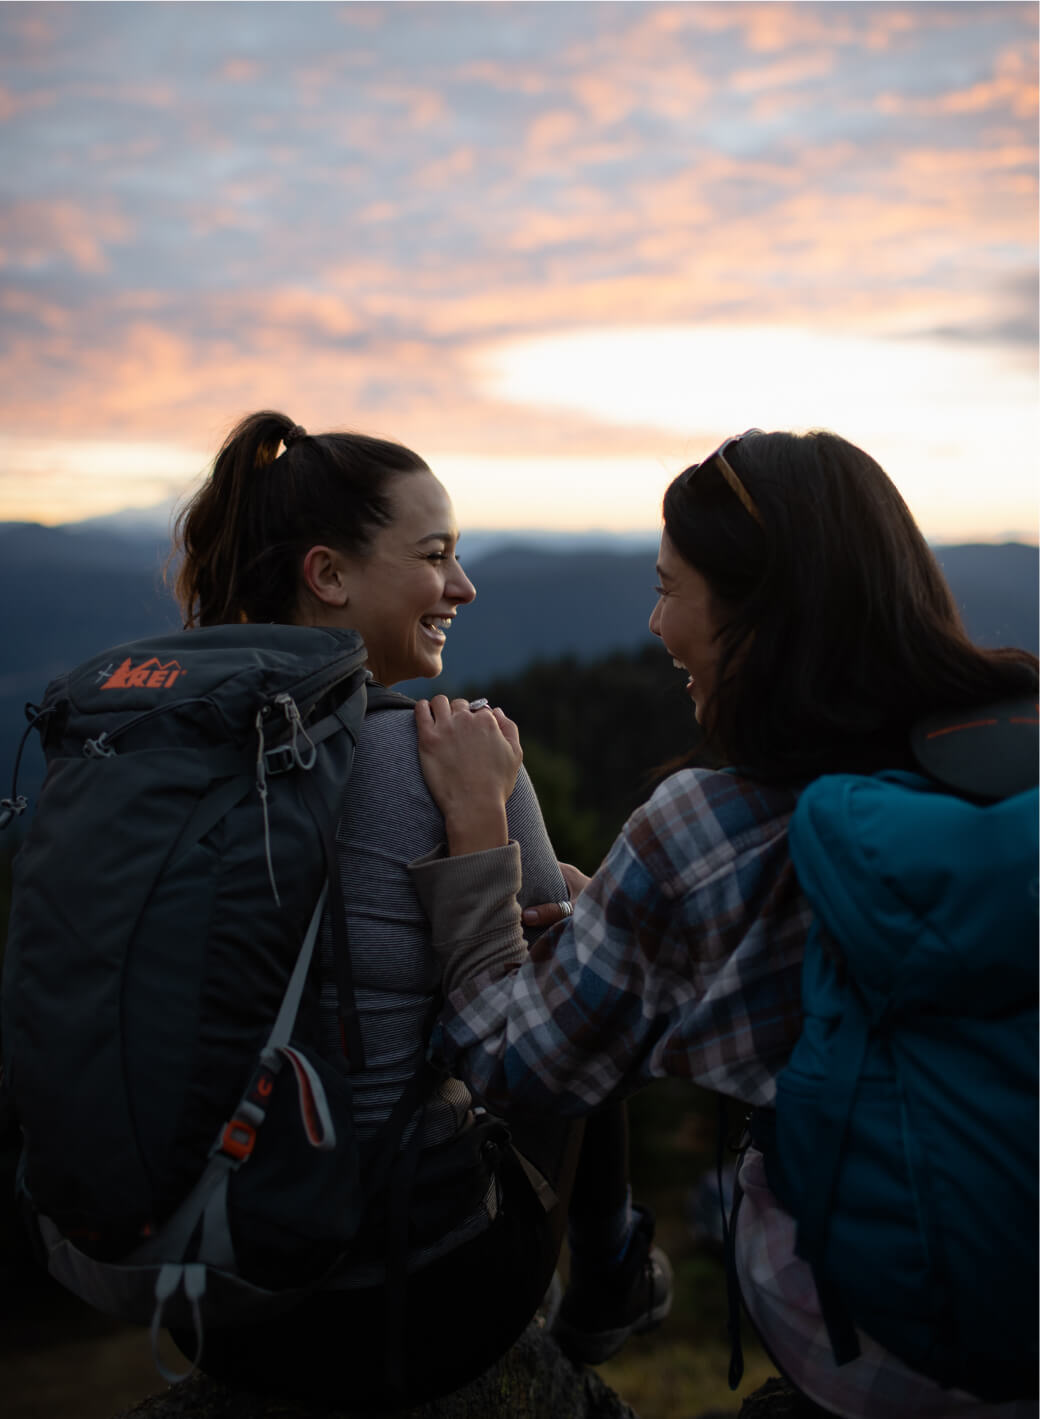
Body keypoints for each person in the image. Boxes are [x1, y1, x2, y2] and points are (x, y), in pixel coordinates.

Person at [406, 428, 1039, 1419]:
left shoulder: (704, 829)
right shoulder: (1009, 754)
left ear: (755, 614)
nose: (655, 623)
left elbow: (515, 1063)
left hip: (875, 1342)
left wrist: (479, 834)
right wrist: (616, 919)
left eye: (669, 588)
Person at [167, 409, 671, 1407]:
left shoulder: (169, 748)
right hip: (395, 1305)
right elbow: (538, 1029)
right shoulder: (438, 754)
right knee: (581, 943)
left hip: (200, 1297)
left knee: (560, 902)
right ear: (328, 575)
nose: (463, 586)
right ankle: (610, 1273)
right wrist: (492, 824)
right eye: (435, 554)